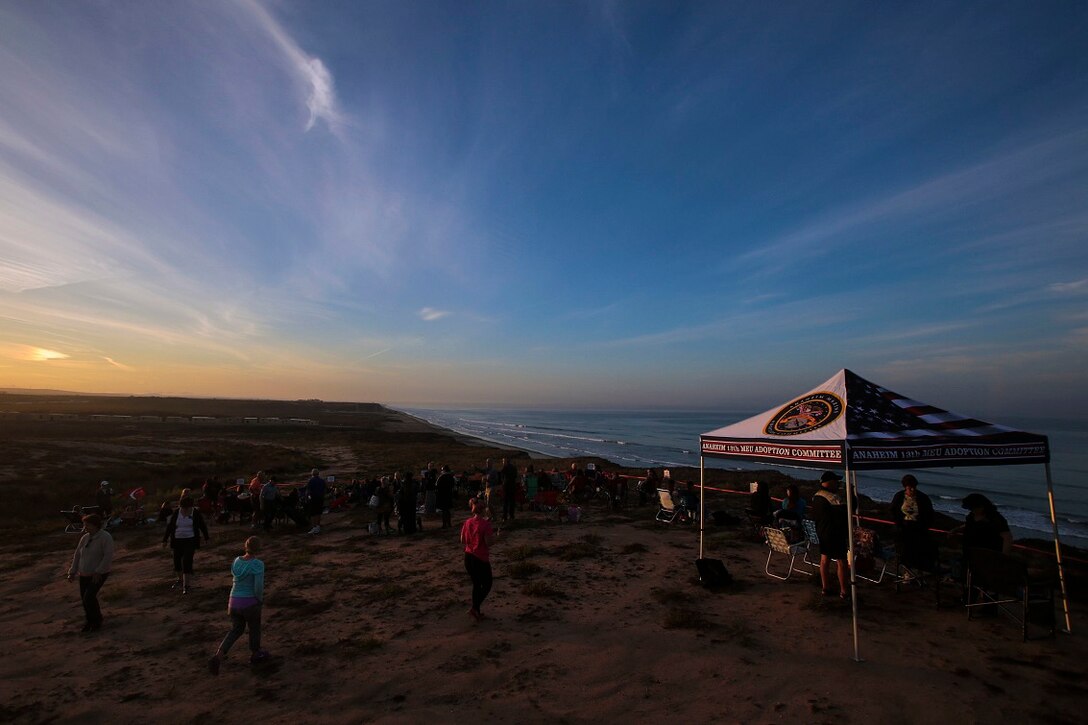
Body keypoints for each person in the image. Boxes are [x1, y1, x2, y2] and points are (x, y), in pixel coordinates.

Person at [209, 536, 268, 675]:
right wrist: (259, 599)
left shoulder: (236, 561)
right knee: (254, 628)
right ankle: (255, 653)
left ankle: (218, 655)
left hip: (234, 601)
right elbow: (258, 586)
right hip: (249, 602)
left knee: (236, 629)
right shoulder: (258, 564)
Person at [66, 513, 114, 632]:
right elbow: (77, 555)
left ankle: (97, 621)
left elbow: (108, 556)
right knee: (86, 599)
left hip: (99, 573)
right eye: (84, 524)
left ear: (95, 525)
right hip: (84, 573)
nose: (85, 527)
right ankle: (90, 621)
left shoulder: (105, 537)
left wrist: (99, 571)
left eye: (87, 525)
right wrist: (72, 571)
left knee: (89, 597)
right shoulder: (85, 538)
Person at [162, 495, 211, 593]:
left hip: (190, 540)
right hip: (177, 540)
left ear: (190, 507)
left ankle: (186, 585)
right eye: (182, 508)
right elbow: (170, 526)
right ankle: (180, 580)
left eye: (186, 508)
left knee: (187, 561)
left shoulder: (195, 513)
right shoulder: (177, 512)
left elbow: (202, 525)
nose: (184, 510)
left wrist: (206, 537)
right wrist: (165, 539)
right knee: (177, 562)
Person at [811, 471, 848, 599]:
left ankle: (825, 587)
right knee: (842, 562)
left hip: (822, 532)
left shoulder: (816, 496)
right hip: (835, 533)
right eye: (836, 481)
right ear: (830, 482)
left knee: (824, 560)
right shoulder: (833, 498)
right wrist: (851, 495)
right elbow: (848, 510)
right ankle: (844, 591)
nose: (838, 484)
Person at [890, 474, 936, 572]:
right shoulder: (899, 496)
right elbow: (893, 511)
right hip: (903, 529)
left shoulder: (923, 498)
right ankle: (907, 570)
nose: (912, 490)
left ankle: (912, 569)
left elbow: (929, 514)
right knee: (904, 550)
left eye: (913, 487)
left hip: (918, 529)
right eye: (909, 488)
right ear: (905, 487)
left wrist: (924, 527)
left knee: (916, 551)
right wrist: (899, 523)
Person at [460, 497, 496, 621]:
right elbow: (488, 542)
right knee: (487, 584)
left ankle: (476, 611)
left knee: (476, 584)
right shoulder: (486, 525)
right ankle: (475, 608)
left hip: (468, 557)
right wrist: (496, 538)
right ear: (484, 510)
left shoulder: (468, 522)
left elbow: (462, 540)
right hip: (480, 559)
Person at [306, 468, 326, 535]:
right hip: (320, 498)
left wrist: (308, 497)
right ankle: (318, 526)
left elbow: (308, 491)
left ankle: (314, 527)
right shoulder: (322, 481)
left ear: (312, 474)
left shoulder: (311, 481)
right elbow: (324, 489)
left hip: (313, 498)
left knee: (313, 514)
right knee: (318, 513)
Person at [398, 471, 418, 535]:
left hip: (405, 502)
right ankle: (412, 529)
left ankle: (407, 529)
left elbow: (401, 493)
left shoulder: (403, 483)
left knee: (406, 516)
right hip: (412, 502)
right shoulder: (414, 483)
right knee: (412, 516)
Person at [436, 465, 456, 529]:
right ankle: (449, 523)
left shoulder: (441, 477)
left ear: (444, 470)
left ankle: (444, 524)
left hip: (442, 495)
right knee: (448, 510)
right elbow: (454, 485)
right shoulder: (451, 477)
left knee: (444, 510)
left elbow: (436, 485)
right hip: (449, 495)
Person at [500, 457, 518, 523]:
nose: (503, 463)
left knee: (505, 502)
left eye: (503, 461)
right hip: (513, 486)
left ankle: (505, 516)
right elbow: (516, 476)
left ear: (506, 461)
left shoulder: (505, 467)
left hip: (507, 486)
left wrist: (502, 482)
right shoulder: (514, 467)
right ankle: (511, 516)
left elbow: (501, 475)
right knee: (512, 502)